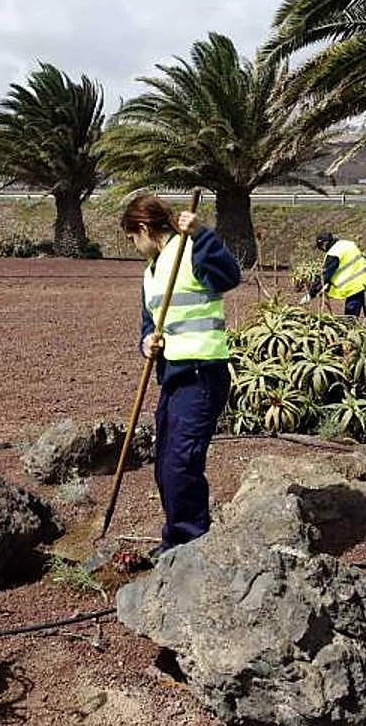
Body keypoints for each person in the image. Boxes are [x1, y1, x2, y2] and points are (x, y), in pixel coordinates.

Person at [122, 195, 240, 559]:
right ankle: (177, 538)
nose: (133, 247)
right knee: (165, 463)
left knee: (181, 464)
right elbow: (149, 323)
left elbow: (230, 276)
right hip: (173, 375)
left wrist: (203, 234)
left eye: (131, 239)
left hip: (203, 373)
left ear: (143, 228)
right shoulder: (152, 272)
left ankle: (190, 545)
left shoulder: (192, 251)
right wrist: (147, 343)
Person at [307, 231, 366, 358]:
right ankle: (353, 347)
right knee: (363, 315)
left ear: (324, 244)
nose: (321, 250)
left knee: (355, 318)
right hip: (365, 282)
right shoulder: (347, 244)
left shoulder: (333, 253)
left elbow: (325, 275)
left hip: (359, 286)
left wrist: (311, 293)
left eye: (320, 247)